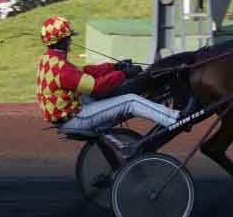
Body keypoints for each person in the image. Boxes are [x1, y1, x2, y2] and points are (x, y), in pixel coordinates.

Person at [36, 16, 179, 136]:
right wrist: (123, 74)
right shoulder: (62, 69)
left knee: (112, 94)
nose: (71, 41)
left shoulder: (48, 59)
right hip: (74, 119)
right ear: (62, 40)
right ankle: (174, 119)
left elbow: (85, 72)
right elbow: (96, 87)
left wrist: (114, 67)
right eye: (68, 38)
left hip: (70, 111)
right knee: (130, 101)